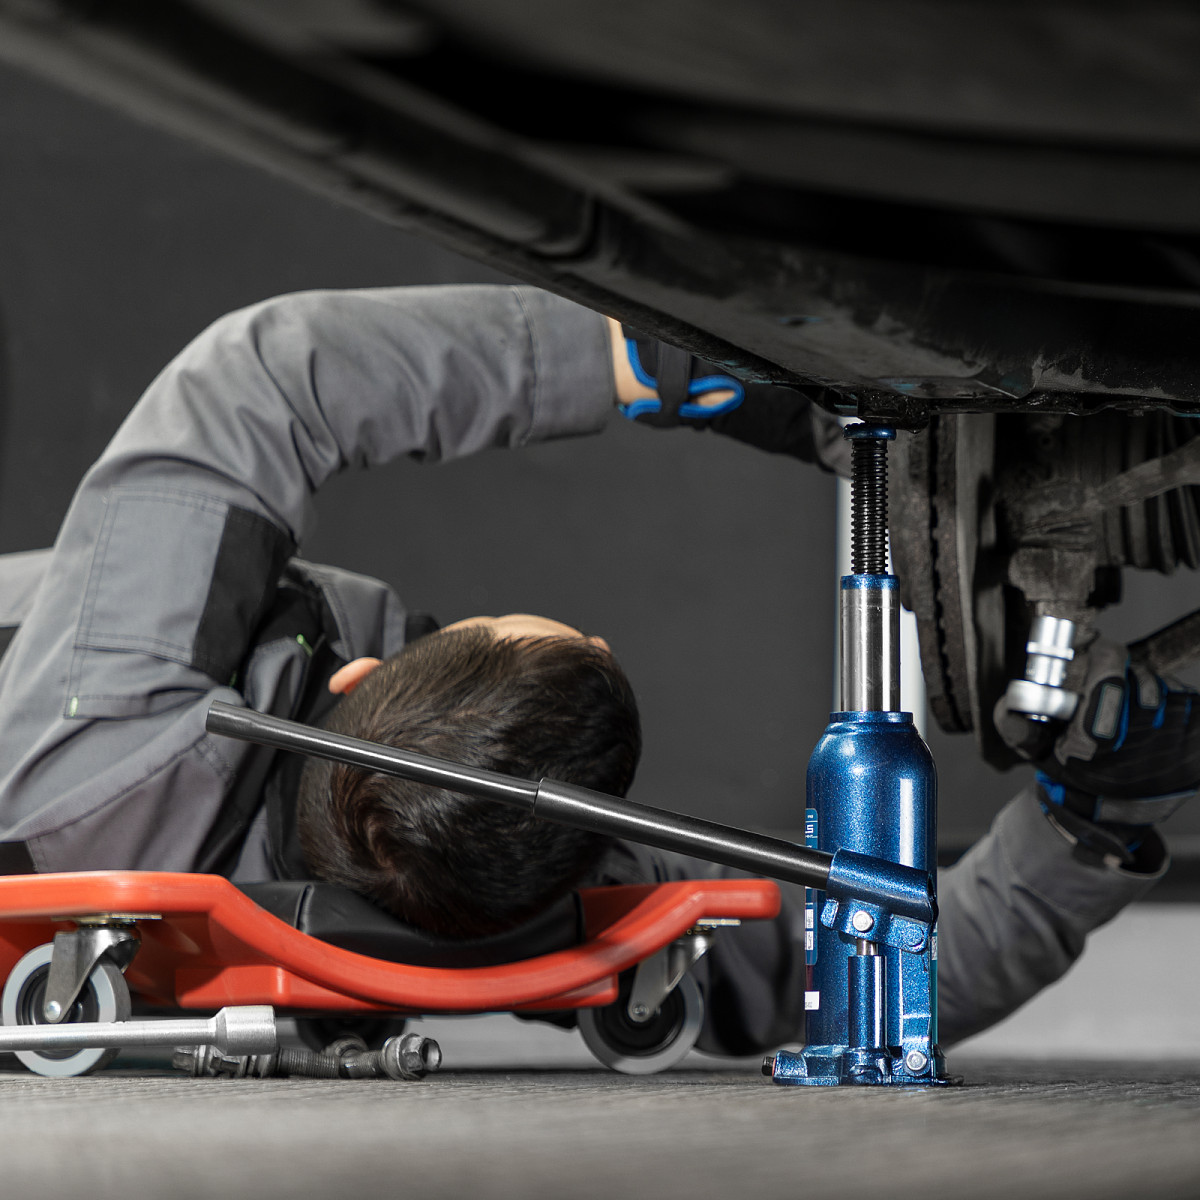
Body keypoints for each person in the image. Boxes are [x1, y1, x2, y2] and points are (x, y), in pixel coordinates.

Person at [0, 283, 1187, 1054]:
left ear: (355, 684)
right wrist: (1093, 819)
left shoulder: (127, 690)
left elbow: (262, 384)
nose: (603, 638)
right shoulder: (533, 902)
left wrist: (640, 359)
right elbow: (842, 983)